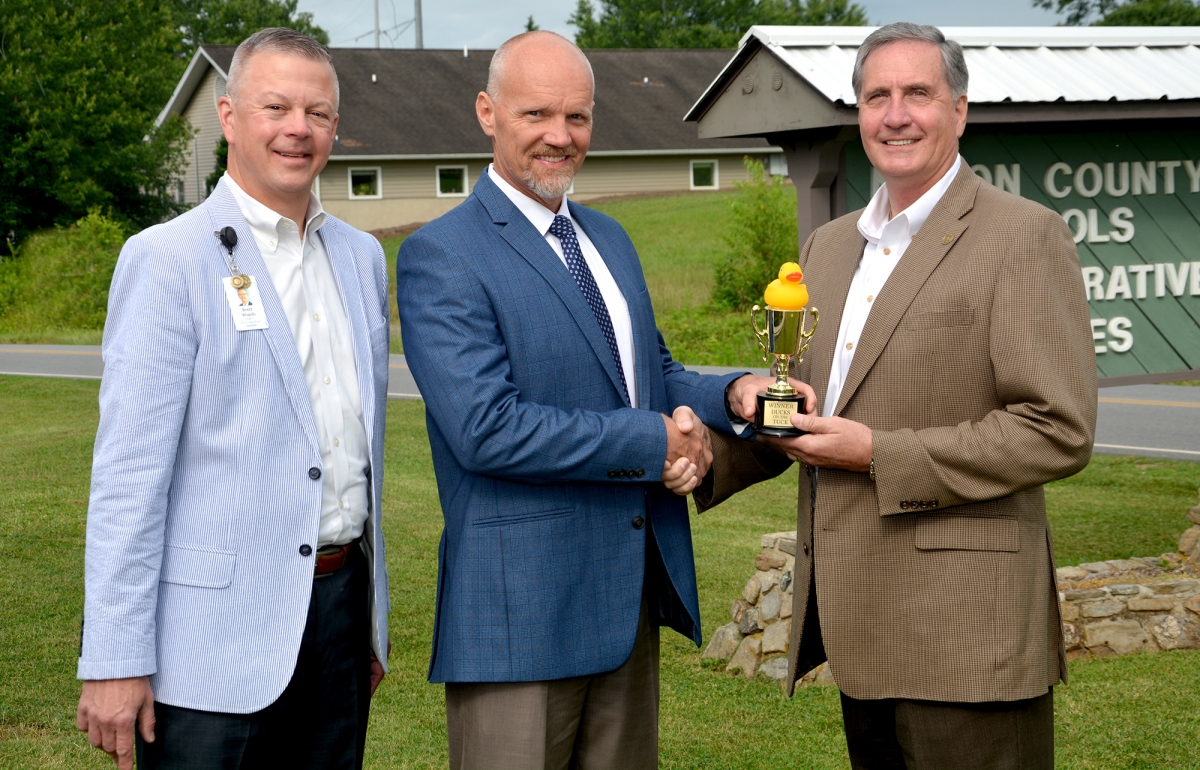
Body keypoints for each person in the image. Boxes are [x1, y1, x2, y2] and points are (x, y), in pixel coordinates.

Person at [698, 22, 1097, 770]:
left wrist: (879, 453)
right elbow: (808, 409)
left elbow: (1057, 430)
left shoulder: (1022, 237)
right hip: (860, 627)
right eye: (876, 96)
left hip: (966, 635)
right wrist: (702, 451)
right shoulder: (829, 245)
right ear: (858, 114)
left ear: (960, 110)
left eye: (919, 92)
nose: (896, 114)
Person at [396, 30, 771, 770]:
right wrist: (654, 442)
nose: (560, 137)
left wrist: (733, 391)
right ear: (487, 112)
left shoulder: (609, 239)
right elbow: (485, 428)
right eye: (537, 115)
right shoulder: (441, 254)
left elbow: (649, 374)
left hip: (625, 601)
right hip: (520, 619)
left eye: (578, 117)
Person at [75, 28, 391, 770]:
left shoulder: (361, 259)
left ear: (336, 129)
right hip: (207, 647)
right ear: (227, 117)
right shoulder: (168, 260)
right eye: (274, 106)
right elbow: (127, 477)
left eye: (317, 113)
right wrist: (115, 656)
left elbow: (360, 449)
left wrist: (366, 628)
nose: (297, 129)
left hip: (338, 620)